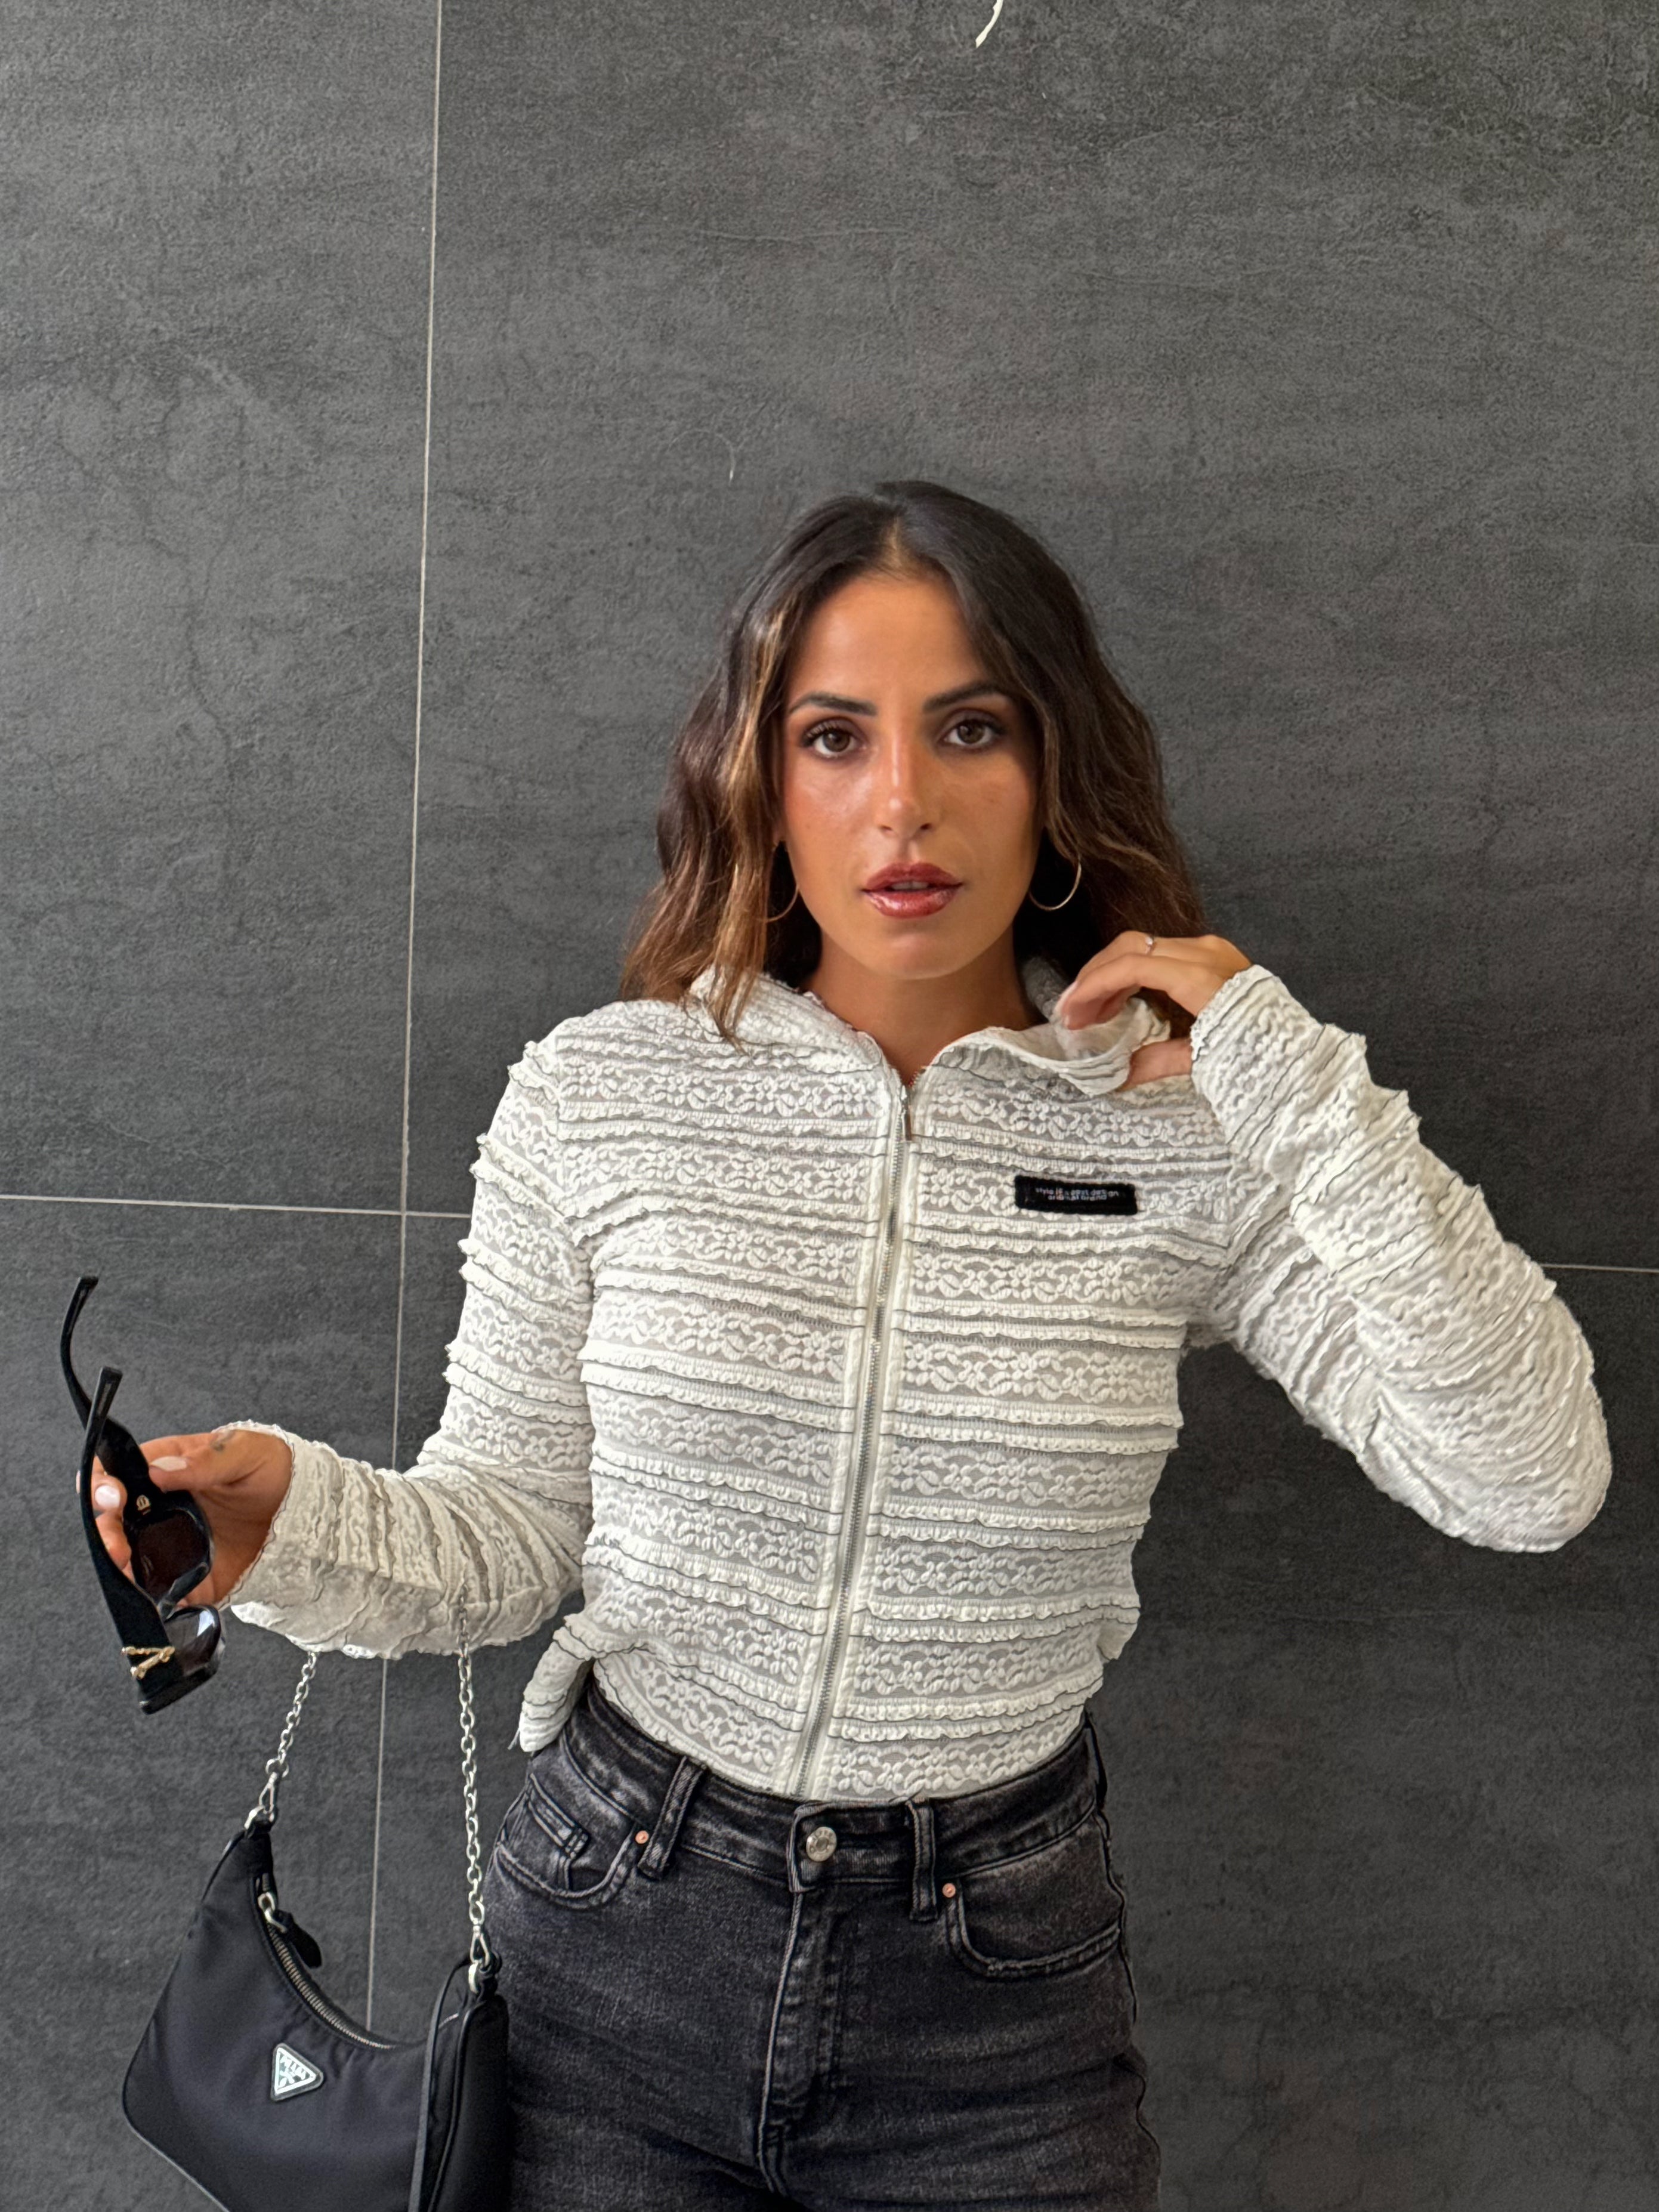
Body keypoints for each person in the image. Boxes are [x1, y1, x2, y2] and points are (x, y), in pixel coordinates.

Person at [87, 480, 1612, 2212]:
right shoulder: (604, 1096)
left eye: (971, 728)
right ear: (761, 780)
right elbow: (508, 1534)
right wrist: (279, 1524)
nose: (904, 801)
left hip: (995, 1997)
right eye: (835, 737)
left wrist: (1296, 1086)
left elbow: (1530, 1478)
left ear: (1055, 772)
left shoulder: (1187, 1142)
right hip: (614, 1947)